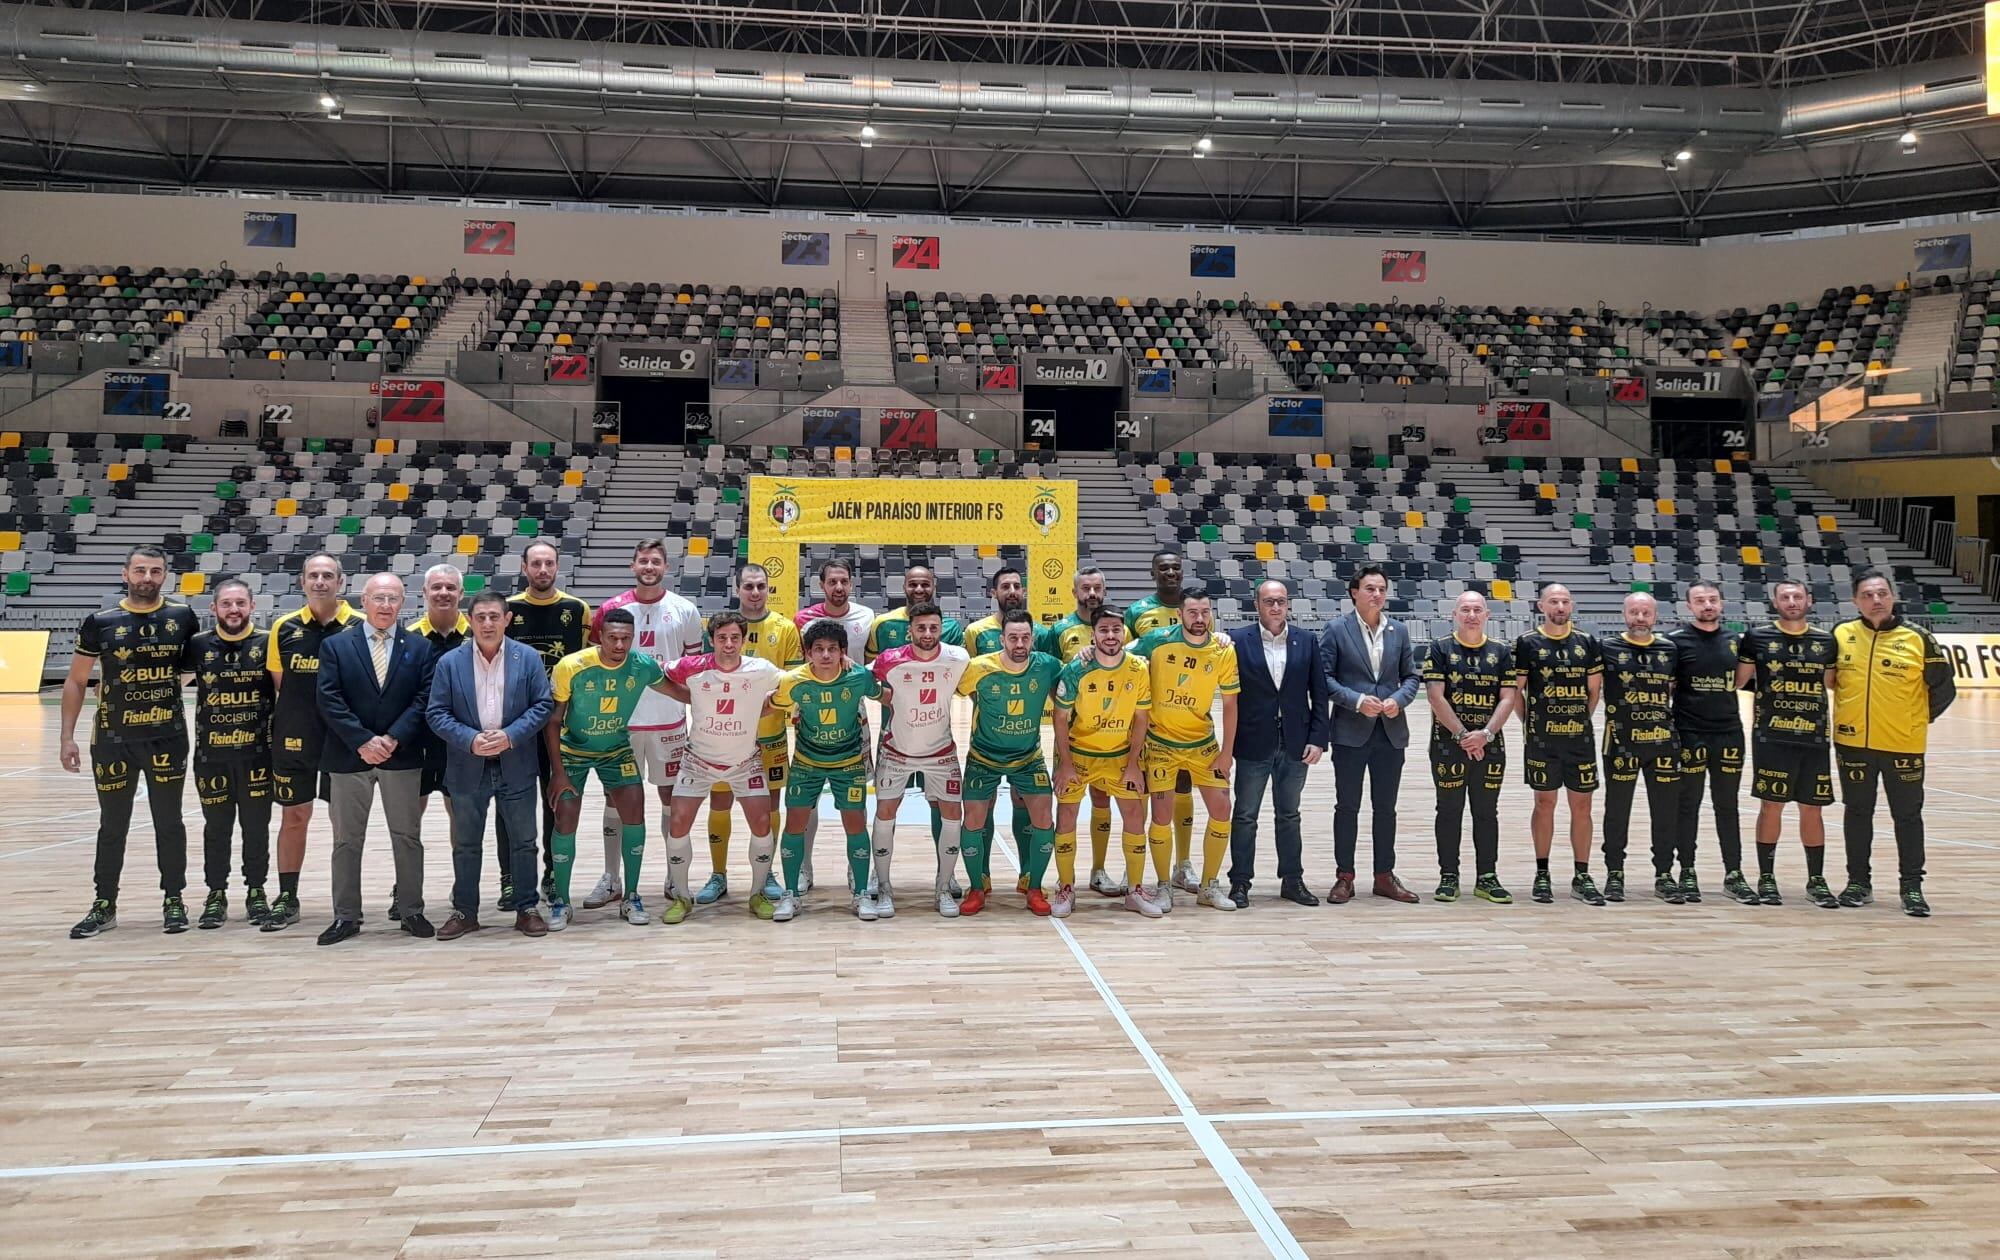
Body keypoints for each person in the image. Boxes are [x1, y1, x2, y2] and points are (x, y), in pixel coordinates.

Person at [62, 545, 200, 939]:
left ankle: (174, 899)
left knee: (169, 821)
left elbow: (189, 670)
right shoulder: (101, 621)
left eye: (155, 571)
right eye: (140, 570)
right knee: (112, 825)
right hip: (112, 738)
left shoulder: (181, 617)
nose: (147, 578)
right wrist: (66, 737)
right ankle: (104, 904)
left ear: (165, 576)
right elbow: (75, 680)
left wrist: (158, 688)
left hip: (167, 737)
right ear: (126, 574)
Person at [314, 573, 438, 945]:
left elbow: (423, 700)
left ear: (404, 603)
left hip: (401, 756)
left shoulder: (420, 648)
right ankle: (346, 916)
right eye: (379, 598)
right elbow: (329, 699)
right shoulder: (336, 646)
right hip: (349, 756)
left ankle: (411, 910)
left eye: (393, 599)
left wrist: (392, 738)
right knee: (346, 840)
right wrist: (363, 740)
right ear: (363, 601)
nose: (386, 606)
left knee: (407, 836)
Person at [426, 590, 555, 939]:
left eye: (494, 616)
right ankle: (465, 911)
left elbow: (543, 706)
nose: (487, 623)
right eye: (480, 616)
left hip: (516, 763)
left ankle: (526, 907)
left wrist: (510, 735)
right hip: (468, 766)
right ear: (469, 619)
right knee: (466, 843)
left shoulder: (527, 658)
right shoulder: (450, 663)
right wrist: (470, 739)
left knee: (525, 841)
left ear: (507, 619)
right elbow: (436, 713)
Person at [1832, 568, 1956, 916]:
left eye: (1882, 594)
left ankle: (1912, 887)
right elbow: (1830, 680)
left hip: (1904, 745)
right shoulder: (1841, 634)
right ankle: (1858, 882)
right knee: (1857, 813)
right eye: (1868, 595)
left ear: (1892, 596)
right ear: (1856, 600)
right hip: (1852, 743)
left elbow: (1944, 688)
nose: (1876, 601)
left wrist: (1914, 720)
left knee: (1907, 816)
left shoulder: (1919, 638)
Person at [588, 538, 704, 911]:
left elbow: (692, 670)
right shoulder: (610, 610)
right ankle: (611, 878)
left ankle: (673, 874)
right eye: (643, 561)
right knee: (614, 797)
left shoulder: (684, 610)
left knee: (671, 797)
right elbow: (596, 661)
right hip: (621, 724)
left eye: (655, 561)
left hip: (668, 721)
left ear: (665, 567)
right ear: (632, 565)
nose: (649, 567)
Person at [658, 612, 787, 925]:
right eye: (721, 638)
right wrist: (687, 697)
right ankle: (682, 897)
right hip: (698, 761)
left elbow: (794, 682)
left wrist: (768, 706)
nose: (728, 644)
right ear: (711, 639)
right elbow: (654, 672)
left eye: (734, 638)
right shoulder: (691, 667)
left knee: (761, 824)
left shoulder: (760, 670)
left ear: (743, 640)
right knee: (678, 823)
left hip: (745, 763)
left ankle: (756, 893)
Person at [545, 608, 666, 929]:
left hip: (616, 750)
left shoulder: (642, 666)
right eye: (612, 637)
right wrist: (557, 772)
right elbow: (553, 721)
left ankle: (632, 896)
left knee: (636, 815)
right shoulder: (572, 666)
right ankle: (561, 901)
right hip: (573, 751)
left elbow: (679, 690)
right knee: (566, 820)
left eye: (626, 638)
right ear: (599, 636)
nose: (619, 644)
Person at [260, 552, 359, 932]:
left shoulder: (360, 626)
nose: (320, 582)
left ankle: (346, 902)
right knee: (294, 816)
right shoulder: (283, 628)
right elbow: (281, 684)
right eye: (313, 576)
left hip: (344, 743)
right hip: (295, 739)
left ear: (341, 582)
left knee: (344, 826)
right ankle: (287, 896)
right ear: (302, 582)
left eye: (328, 576)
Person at [1132, 584, 1240, 912]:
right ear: (1180, 614)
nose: (1199, 618)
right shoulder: (1158, 641)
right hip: (1161, 743)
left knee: (1222, 808)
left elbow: (1232, 705)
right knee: (1162, 815)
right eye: (1192, 612)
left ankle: (1209, 885)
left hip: (1202, 743)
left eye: (1205, 612)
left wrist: (1226, 753)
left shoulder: (1223, 650)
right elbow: (1120, 652)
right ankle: (1164, 885)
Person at [701, 563, 803, 906]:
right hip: (723, 736)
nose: (755, 592)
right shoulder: (718, 628)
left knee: (769, 804)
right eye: (749, 586)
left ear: (767, 589)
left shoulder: (784, 628)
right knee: (720, 801)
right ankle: (718, 875)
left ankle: (767, 871)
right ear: (738, 588)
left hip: (768, 734)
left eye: (761, 586)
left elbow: (790, 684)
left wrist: (766, 709)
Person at [1319, 564, 1422, 904]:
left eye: (1381, 589)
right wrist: (1357, 700)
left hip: (1390, 734)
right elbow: (1324, 679)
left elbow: (1411, 678)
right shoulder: (1336, 629)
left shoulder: (1400, 631)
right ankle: (1344, 877)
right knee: (1347, 807)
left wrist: (1398, 700)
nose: (1377, 594)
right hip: (1350, 732)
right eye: (1370, 589)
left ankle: (1383, 875)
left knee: (1386, 809)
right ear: (1354, 593)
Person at [1735, 578, 1840, 909]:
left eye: (1797, 596)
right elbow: (1739, 680)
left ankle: (1816, 879)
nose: (1792, 601)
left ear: (1809, 600)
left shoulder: (1826, 641)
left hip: (1814, 736)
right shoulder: (1757, 638)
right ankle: (1766, 877)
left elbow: (1834, 682)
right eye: (1785, 597)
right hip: (1772, 735)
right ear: (1775, 602)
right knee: (1771, 805)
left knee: (1813, 807)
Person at [1225, 579, 1329, 908]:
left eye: (1281, 601)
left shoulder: (1306, 640)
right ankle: (1240, 882)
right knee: (1244, 815)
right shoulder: (1236, 641)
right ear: (1256, 605)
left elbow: (1320, 694)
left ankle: (1292, 880)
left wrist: (1318, 739)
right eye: (1269, 601)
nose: (1275, 607)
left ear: (1288, 605)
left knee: (1289, 814)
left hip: (1296, 743)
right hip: (1253, 741)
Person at [870, 602, 975, 918]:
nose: (927, 634)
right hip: (896, 751)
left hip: (940, 752)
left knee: (952, 814)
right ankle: (885, 886)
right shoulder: (889, 660)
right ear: (909, 630)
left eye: (933, 627)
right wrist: (884, 696)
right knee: (885, 812)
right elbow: (863, 681)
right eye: (920, 628)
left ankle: (943, 887)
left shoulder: (958, 658)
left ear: (941, 628)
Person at [772, 620, 880, 920]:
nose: (826, 655)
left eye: (833, 649)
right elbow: (773, 703)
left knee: (855, 824)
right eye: (818, 649)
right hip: (807, 762)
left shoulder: (858, 676)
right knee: (795, 824)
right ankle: (791, 893)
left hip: (849, 762)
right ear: (808, 653)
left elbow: (884, 695)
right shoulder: (794, 681)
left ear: (844, 652)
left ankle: (860, 893)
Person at [503, 538, 591, 905]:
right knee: (511, 805)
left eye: (549, 564)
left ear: (558, 567)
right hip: (517, 727)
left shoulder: (577, 608)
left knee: (558, 801)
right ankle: (511, 879)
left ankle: (554, 874)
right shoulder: (507, 609)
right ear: (524, 568)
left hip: (562, 725)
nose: (542, 570)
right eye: (535, 564)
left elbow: (586, 670)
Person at [957, 609, 1062, 915]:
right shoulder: (978, 667)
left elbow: (1077, 677)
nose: (1019, 643)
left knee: (1043, 818)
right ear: (1001, 639)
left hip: (1028, 757)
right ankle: (977, 887)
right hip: (983, 757)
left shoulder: (1047, 666)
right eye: (1013, 637)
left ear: (1033, 639)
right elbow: (948, 684)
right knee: (974, 820)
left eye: (1025, 637)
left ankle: (1034, 887)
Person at [1055, 607, 1157, 916]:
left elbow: (1142, 719)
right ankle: (1066, 888)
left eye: (1116, 630)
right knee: (1066, 819)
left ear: (1124, 633)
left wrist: (1133, 763)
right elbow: (1060, 719)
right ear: (1093, 634)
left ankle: (1135, 889)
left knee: (1135, 818)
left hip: (1119, 756)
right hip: (1079, 753)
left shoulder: (1139, 668)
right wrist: (1066, 764)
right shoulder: (1076, 669)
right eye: (1104, 630)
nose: (1110, 636)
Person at [1513, 583, 1607, 906]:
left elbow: (1594, 692)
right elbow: (1517, 692)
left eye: (1565, 601)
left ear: (1572, 606)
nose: (1560, 606)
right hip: (1542, 741)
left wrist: (1581, 718)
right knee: (1544, 805)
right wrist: (1530, 723)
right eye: (1554, 601)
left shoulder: (1588, 642)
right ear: (1542, 606)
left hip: (1579, 740)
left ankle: (1582, 875)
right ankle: (1542, 873)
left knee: (1583, 807)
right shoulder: (1527, 643)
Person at [189, 576, 274, 930]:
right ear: (214, 609)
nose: (234, 609)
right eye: (227, 604)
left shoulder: (268, 643)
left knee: (256, 828)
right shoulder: (196, 645)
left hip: (257, 755)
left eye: (241, 603)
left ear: (252, 606)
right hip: (211, 756)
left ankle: (257, 891)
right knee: (216, 828)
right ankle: (216, 893)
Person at [1422, 590, 1515, 905]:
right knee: (1448, 811)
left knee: (1487, 812)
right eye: (1465, 609)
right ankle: (1449, 876)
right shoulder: (1439, 649)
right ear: (1454, 615)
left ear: (1487, 615)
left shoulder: (1501, 652)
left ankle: (1487, 877)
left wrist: (1485, 734)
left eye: (1477, 609)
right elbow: (1436, 696)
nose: (1471, 615)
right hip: (1448, 745)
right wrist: (1463, 735)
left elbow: (1508, 697)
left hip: (1490, 745)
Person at [791, 556, 876, 891]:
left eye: (844, 581)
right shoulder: (803, 619)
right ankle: (803, 868)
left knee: (855, 799)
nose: (838, 588)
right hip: (812, 711)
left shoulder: (866, 616)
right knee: (806, 797)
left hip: (853, 713)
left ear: (851, 583)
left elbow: (869, 666)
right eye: (832, 582)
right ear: (821, 585)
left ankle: (858, 870)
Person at [1666, 580, 1754, 905]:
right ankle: (1686, 871)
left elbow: (1741, 682)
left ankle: (1734, 873)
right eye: (1700, 600)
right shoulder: (1676, 643)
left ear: (1721, 603)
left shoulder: (1736, 641)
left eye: (1712, 600)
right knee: (1687, 805)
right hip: (1689, 733)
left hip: (1729, 732)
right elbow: (1669, 689)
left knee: (1727, 806)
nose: (1707, 605)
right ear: (1688, 606)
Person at [1038, 566, 1121, 897]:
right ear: (1074, 592)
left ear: (1104, 590)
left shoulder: (1117, 626)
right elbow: (1049, 677)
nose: (1091, 594)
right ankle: (1065, 881)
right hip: (1072, 737)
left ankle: (1099, 871)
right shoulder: (1059, 630)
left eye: (1097, 588)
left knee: (1103, 799)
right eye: (1085, 588)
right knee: (1068, 805)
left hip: (1111, 736)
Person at [1596, 592, 1683, 905]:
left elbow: (1674, 688)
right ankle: (1614, 873)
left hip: (1662, 742)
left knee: (1665, 812)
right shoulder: (1607, 647)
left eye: (1646, 612)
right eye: (1634, 612)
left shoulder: (1669, 649)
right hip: (1620, 742)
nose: (1640, 617)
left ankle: (1664, 874)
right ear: (1625, 615)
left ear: (1655, 615)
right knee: (1617, 812)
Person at [1125, 550, 1199, 889]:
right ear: (1153, 572)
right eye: (1163, 568)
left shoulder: (1197, 611)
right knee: (1140, 786)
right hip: (1145, 716)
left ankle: (1183, 864)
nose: (1170, 572)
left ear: (1182, 572)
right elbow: (1120, 654)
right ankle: (1135, 863)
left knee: (1183, 786)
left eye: (1175, 567)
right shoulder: (1137, 612)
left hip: (1185, 716)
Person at [401, 563, 467, 918]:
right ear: (424, 593)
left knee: (461, 818)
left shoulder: (477, 633)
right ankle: (407, 889)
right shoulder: (408, 636)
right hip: (417, 742)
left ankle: (463, 886)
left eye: (450, 587)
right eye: (436, 587)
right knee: (410, 819)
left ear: (460, 593)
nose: (444, 592)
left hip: (459, 744)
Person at [866, 563, 966, 657]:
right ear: (904, 588)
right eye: (913, 585)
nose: (919, 590)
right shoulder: (883, 623)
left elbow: (959, 666)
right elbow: (871, 665)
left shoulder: (951, 628)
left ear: (934, 588)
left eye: (925, 585)